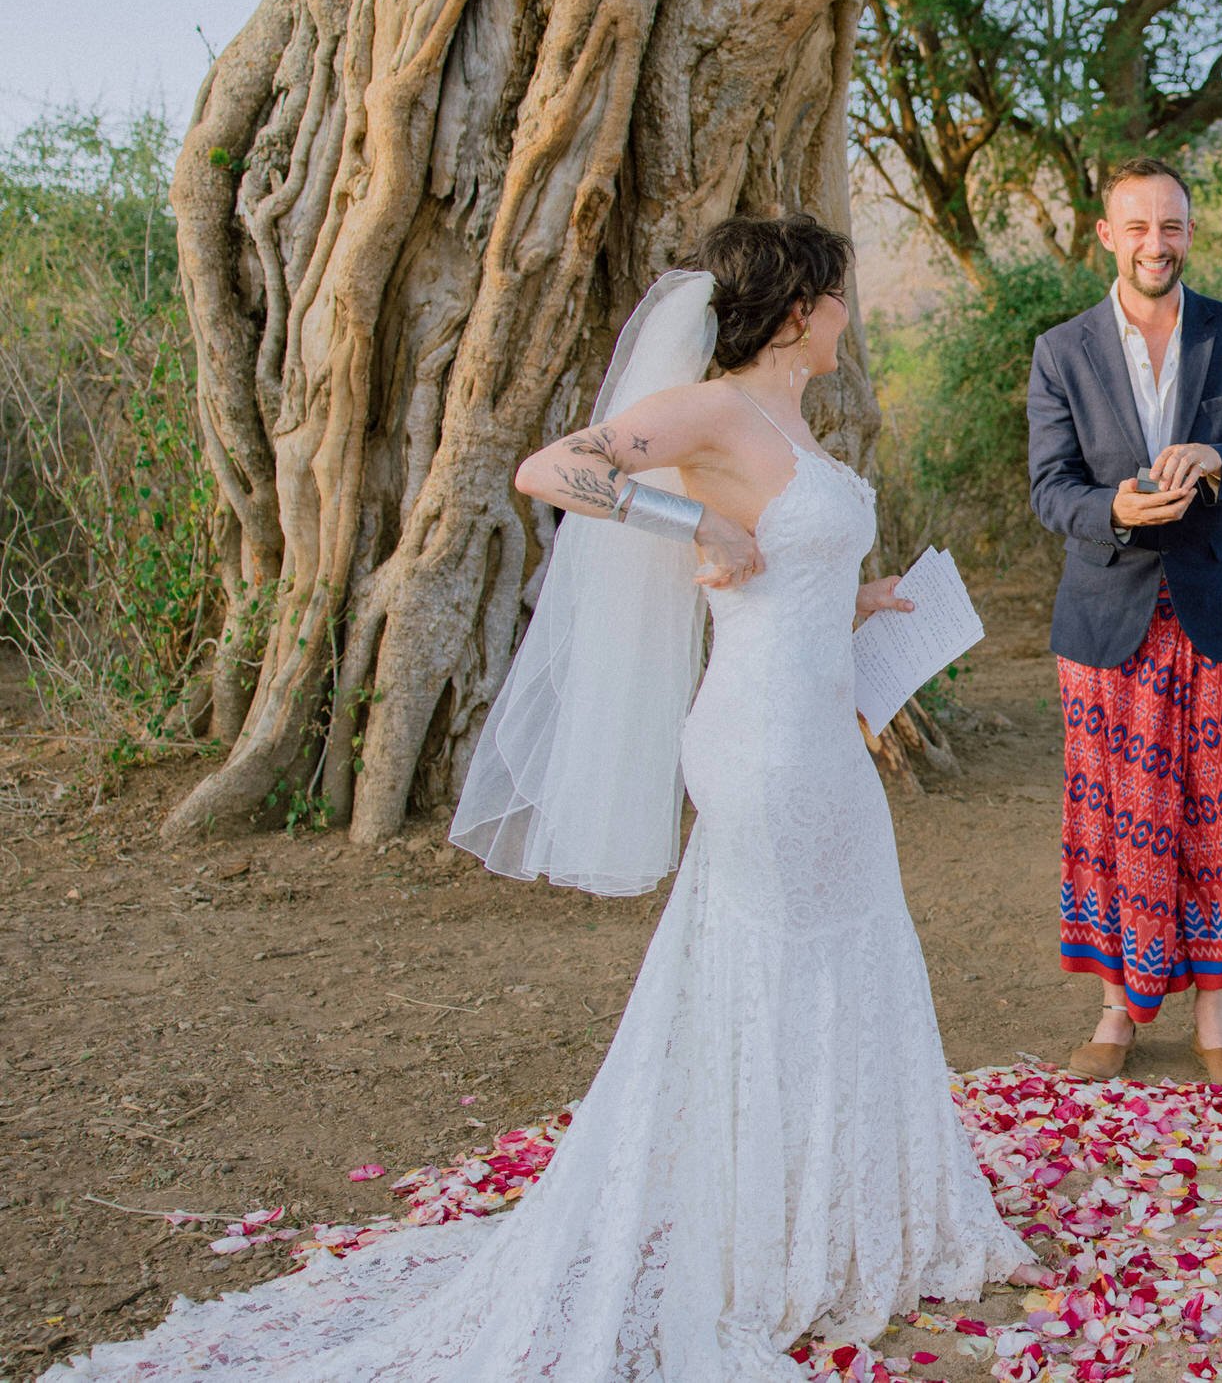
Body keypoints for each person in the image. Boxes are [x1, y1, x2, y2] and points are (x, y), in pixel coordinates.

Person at [51, 216, 1038, 1383]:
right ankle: (772, 1235)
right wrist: (695, 517)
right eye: (837, 298)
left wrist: (861, 597)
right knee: (781, 962)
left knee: (846, 953)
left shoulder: (792, 420)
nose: (846, 317)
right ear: (795, 309)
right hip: (762, 747)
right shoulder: (715, 408)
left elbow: (786, 569)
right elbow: (552, 468)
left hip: (821, 733)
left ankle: (834, 1209)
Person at [1026, 156, 1222, 1089]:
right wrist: (1114, 510)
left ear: (1191, 231)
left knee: (1210, 820)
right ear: (1105, 234)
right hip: (1102, 623)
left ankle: (1214, 1018)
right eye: (1138, 227)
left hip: (1207, 617)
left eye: (1173, 226)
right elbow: (1049, 488)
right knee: (1109, 820)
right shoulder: (1062, 350)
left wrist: (1218, 460)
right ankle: (1114, 1010)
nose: (1157, 244)